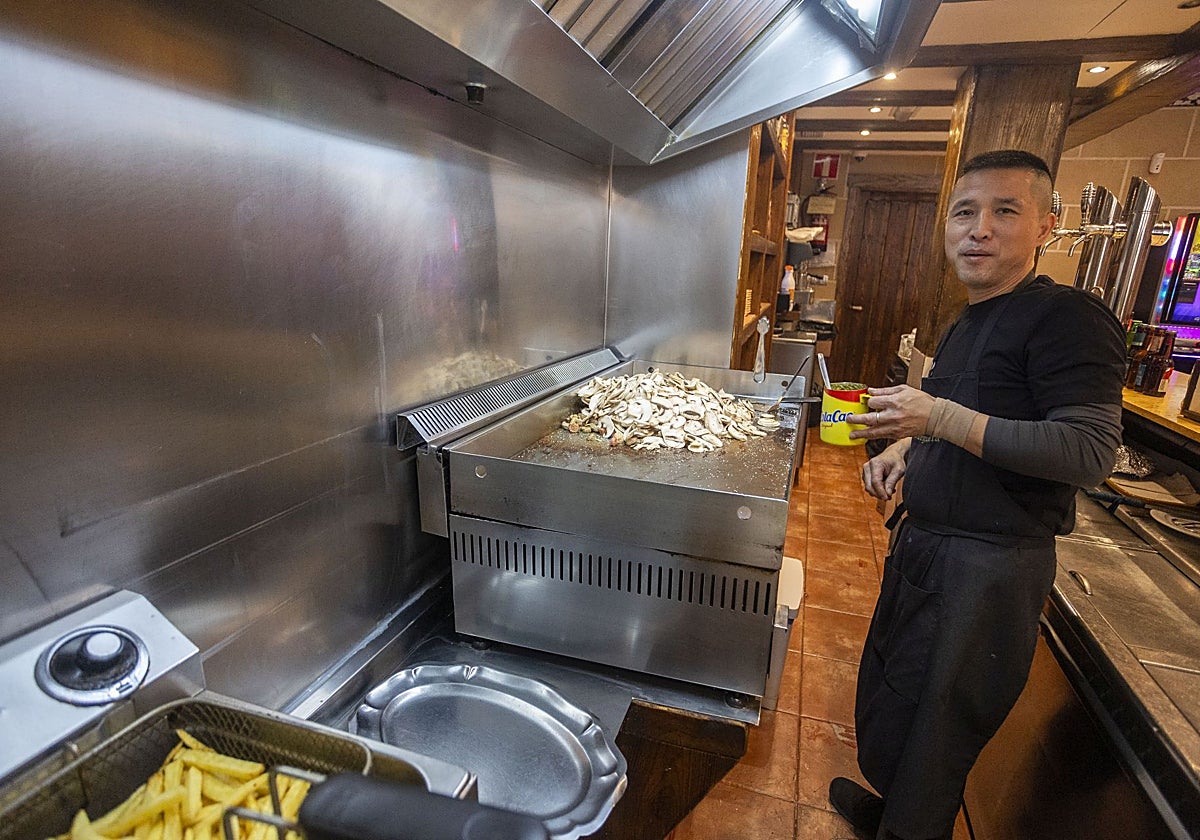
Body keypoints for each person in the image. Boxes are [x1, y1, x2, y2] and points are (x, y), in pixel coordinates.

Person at [827, 149, 1127, 840]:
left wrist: (935, 419)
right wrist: (906, 449)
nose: (979, 229)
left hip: (987, 570)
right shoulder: (968, 320)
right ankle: (891, 813)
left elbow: (1088, 451)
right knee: (898, 696)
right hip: (927, 548)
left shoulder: (1067, 317)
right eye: (964, 212)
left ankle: (911, 831)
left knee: (941, 727)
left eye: (1005, 211)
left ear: (1046, 226)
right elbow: (963, 419)